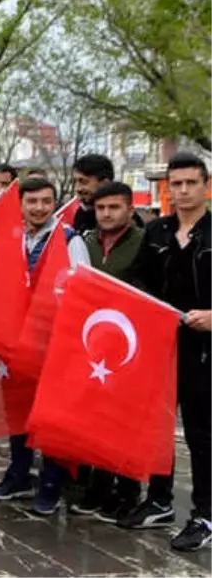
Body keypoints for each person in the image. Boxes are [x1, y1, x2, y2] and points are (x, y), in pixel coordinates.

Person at [128, 153, 212, 550]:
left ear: (205, 186)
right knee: (157, 427)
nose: (181, 190)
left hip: (205, 348)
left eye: (189, 183)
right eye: (174, 184)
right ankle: (159, 500)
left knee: (202, 433)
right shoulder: (157, 231)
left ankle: (206, 514)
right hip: (162, 343)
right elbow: (138, 280)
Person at [0, 177, 76, 515]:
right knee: (17, 411)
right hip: (14, 342)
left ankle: (51, 483)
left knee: (50, 415)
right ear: (20, 204)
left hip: (53, 344)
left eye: (46, 201)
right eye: (32, 201)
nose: (39, 208)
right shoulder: (10, 239)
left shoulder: (69, 239)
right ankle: (19, 475)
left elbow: (80, 290)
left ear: (55, 202)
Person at [65, 181, 145, 523]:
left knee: (126, 423)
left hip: (134, 346)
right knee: (95, 420)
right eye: (101, 208)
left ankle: (127, 492)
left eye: (114, 207)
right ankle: (97, 488)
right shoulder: (84, 244)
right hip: (93, 346)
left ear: (129, 209)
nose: (107, 214)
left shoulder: (145, 243)